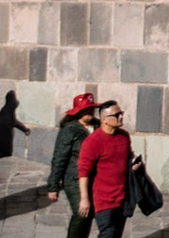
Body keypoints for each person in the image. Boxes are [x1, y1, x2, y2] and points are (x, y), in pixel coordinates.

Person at [76, 99, 140, 238]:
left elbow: (128, 155)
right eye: (117, 115)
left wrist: (133, 162)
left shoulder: (124, 136)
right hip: (103, 201)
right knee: (108, 234)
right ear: (104, 119)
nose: (121, 117)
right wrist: (84, 199)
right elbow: (83, 172)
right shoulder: (92, 142)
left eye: (121, 113)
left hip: (123, 199)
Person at [46, 93, 99, 238]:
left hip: (94, 178)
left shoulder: (99, 126)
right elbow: (59, 158)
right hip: (73, 178)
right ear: (78, 111)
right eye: (86, 109)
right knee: (81, 212)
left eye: (91, 109)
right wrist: (53, 186)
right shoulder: (70, 130)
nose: (90, 112)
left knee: (90, 213)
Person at [0, 89, 29, 158]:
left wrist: (24, 129)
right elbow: (12, 122)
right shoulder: (6, 111)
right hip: (4, 140)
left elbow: (14, 122)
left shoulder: (9, 110)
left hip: (7, 139)